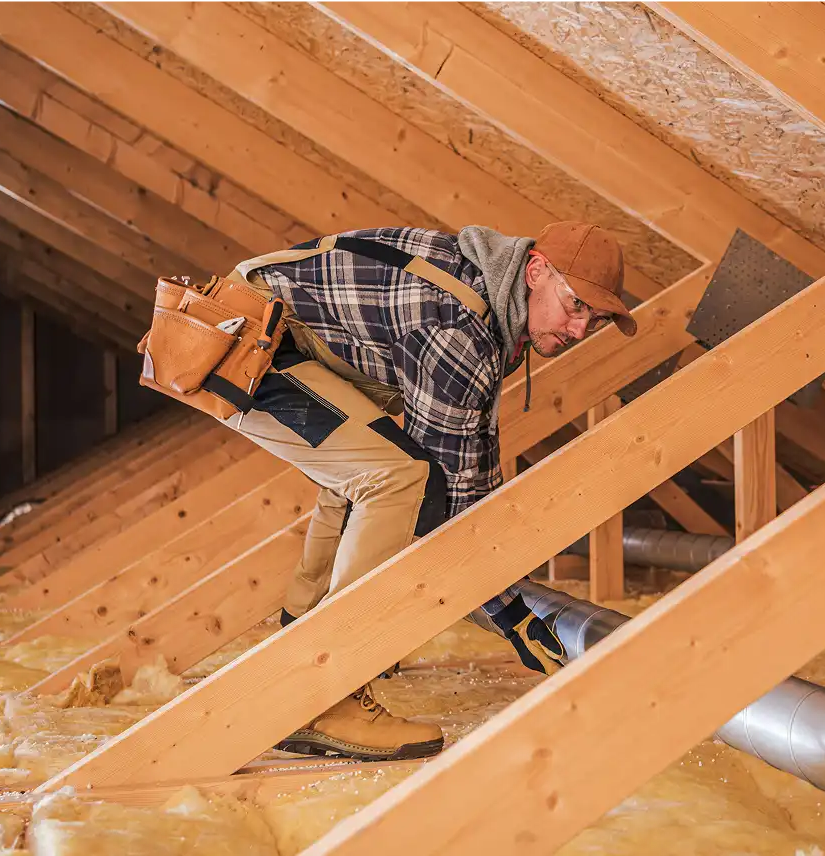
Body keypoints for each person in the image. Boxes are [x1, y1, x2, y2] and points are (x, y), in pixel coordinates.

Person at [221, 222, 637, 761]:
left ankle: (295, 653)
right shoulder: (458, 326)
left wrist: (505, 587)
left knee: (372, 475)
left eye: (595, 319)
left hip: (262, 332)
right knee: (399, 480)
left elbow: (474, 457)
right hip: (242, 340)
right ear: (536, 272)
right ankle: (324, 693)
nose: (580, 329)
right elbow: (454, 494)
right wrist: (507, 611)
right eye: (575, 305)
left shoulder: (489, 297)